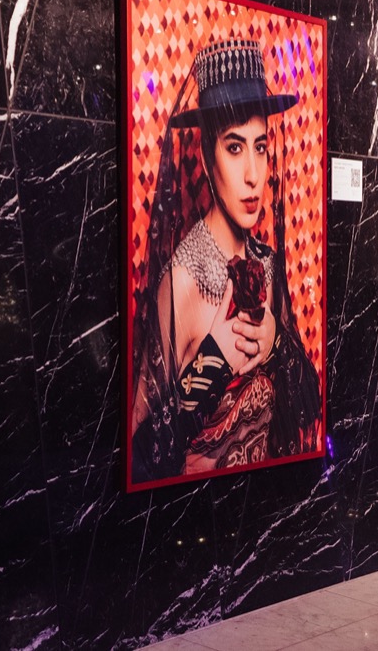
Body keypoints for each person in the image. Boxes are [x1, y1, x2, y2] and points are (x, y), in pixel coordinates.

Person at [130, 39, 321, 484]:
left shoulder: (267, 265)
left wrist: (275, 342)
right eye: (234, 148)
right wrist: (213, 362)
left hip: (269, 505)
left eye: (260, 147)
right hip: (200, 517)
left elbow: (309, 404)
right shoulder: (182, 281)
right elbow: (140, 457)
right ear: (205, 155)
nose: (253, 174)